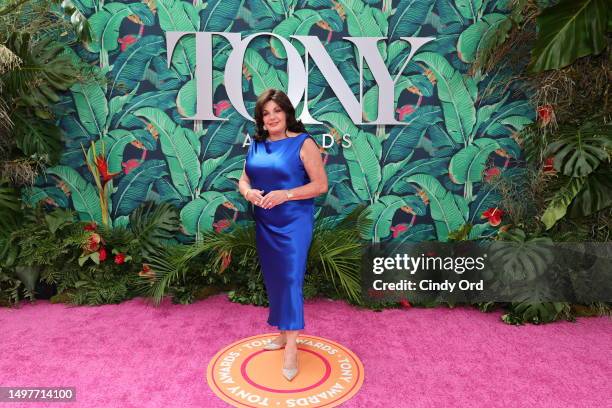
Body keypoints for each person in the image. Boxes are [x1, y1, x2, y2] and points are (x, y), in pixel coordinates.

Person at [238, 89, 328, 381]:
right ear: (260, 119)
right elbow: (244, 179)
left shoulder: (304, 143)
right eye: (266, 113)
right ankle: (281, 330)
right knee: (275, 277)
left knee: (290, 278)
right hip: (265, 220)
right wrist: (248, 193)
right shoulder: (256, 145)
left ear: (287, 113)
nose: (272, 117)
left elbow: (320, 185)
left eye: (277, 110)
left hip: (293, 222)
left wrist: (286, 194)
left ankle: (291, 346)